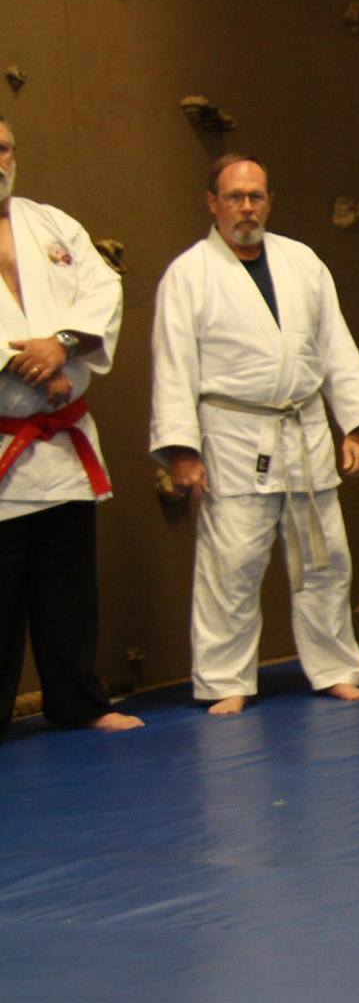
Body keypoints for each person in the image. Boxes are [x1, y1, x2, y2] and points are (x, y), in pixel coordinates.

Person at [149, 154, 359, 715]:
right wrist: (182, 451)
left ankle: (335, 669)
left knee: (326, 562)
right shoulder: (189, 273)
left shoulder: (303, 262)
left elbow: (336, 349)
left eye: (256, 196)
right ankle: (225, 679)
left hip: (303, 429)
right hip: (232, 438)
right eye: (235, 197)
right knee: (231, 566)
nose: (246, 207)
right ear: (213, 203)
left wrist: (356, 426)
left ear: (269, 201)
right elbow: (172, 365)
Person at [0, 116, 142, 738]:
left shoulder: (52, 224)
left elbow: (102, 292)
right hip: (5, 438)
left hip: (62, 441)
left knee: (68, 587)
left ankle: (78, 700)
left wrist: (62, 346)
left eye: (3, 146)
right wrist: (25, 364)